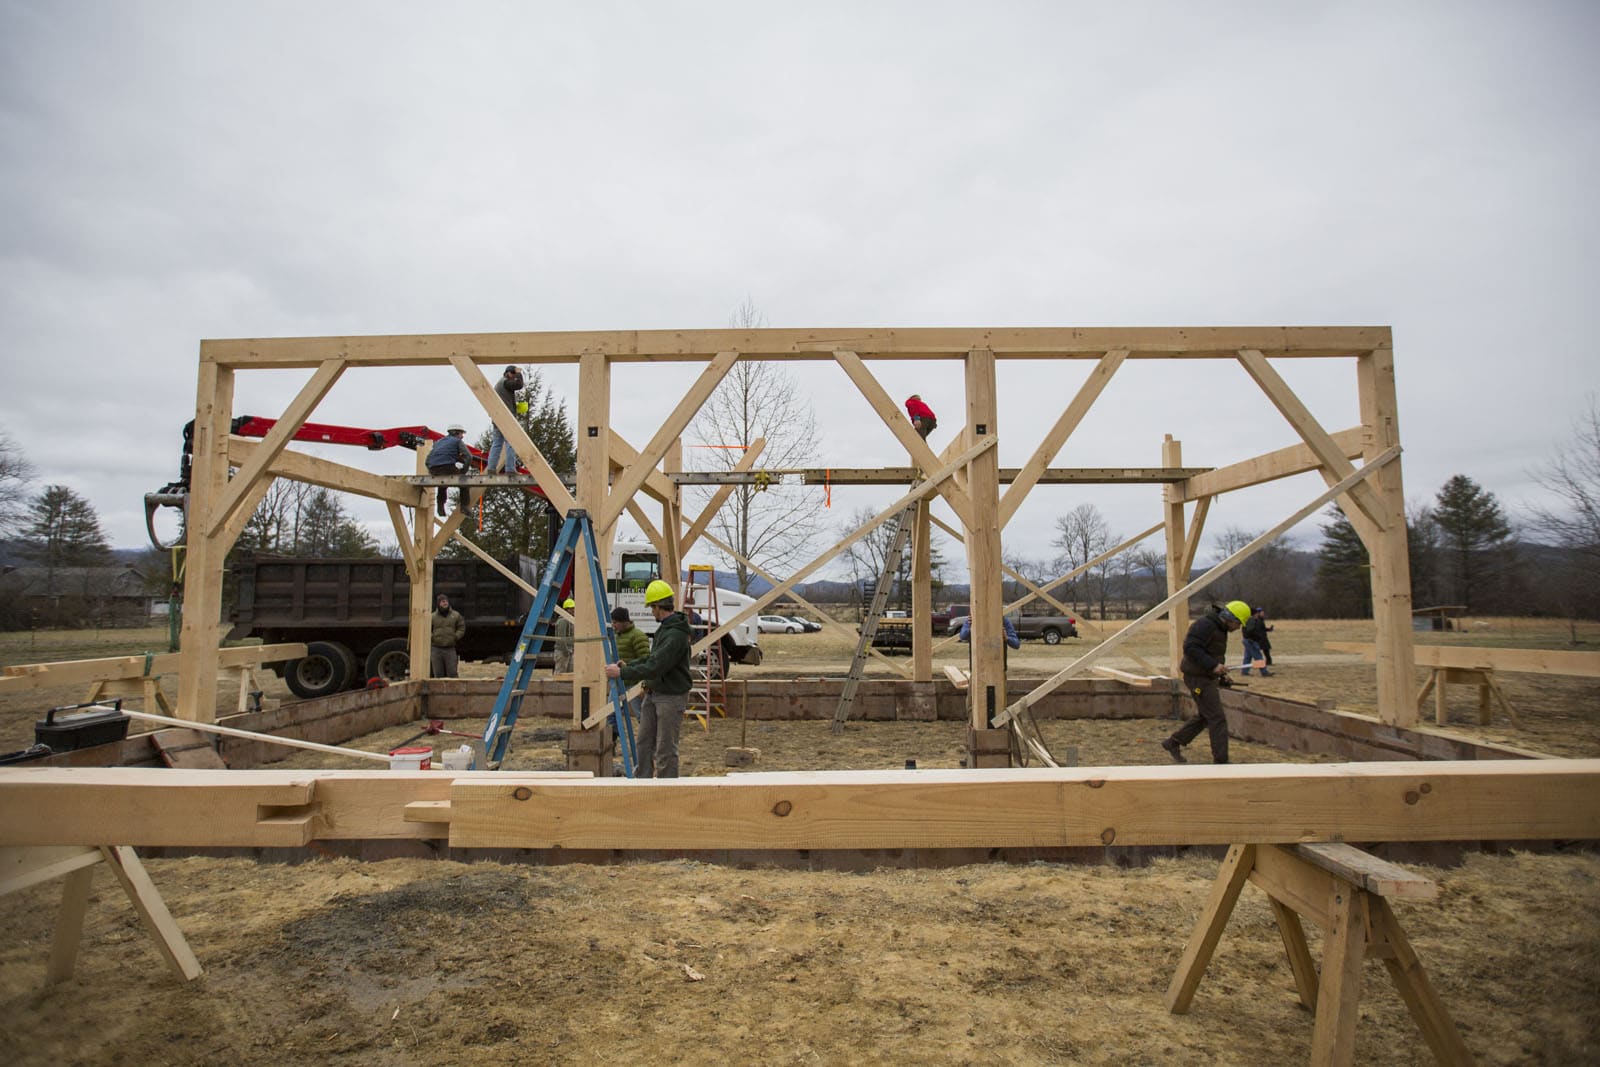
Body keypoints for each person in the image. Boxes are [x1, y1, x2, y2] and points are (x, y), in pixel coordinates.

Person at [604, 579, 692, 778]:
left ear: (658, 606)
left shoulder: (675, 635)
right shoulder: (666, 629)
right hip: (654, 693)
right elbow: (651, 658)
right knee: (644, 743)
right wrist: (630, 665)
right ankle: (642, 783)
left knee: (665, 749)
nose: (651, 612)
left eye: (652, 608)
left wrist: (622, 673)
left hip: (671, 697)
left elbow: (656, 666)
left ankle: (665, 791)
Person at [1162, 600, 1250, 765]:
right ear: (1230, 618)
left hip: (1205, 675)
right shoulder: (1205, 625)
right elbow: (1191, 648)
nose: (1238, 628)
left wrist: (1221, 674)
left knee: (1205, 716)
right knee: (1217, 718)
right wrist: (1213, 666)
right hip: (1197, 677)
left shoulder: (1219, 628)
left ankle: (1173, 743)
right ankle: (1221, 762)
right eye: (1239, 623)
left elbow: (1211, 654)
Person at [611, 605, 651, 719]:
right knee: (610, 713)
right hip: (620, 681)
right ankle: (613, 735)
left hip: (634, 682)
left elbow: (645, 659)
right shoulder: (617, 636)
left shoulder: (638, 636)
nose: (613, 625)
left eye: (615, 622)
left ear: (624, 621)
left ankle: (648, 736)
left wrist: (642, 682)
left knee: (640, 715)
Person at [486, 365, 526, 475]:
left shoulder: (499, 385)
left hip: (497, 417)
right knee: (510, 443)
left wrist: (514, 406)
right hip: (506, 418)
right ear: (509, 373)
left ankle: (491, 468)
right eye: (513, 375)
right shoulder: (505, 382)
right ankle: (510, 469)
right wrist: (519, 373)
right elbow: (519, 385)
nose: (514, 378)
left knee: (497, 443)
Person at [425, 424, 471, 516]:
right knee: (464, 483)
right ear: (456, 433)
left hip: (433, 469)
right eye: (461, 434)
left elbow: (427, 460)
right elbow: (469, 456)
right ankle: (464, 506)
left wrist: (430, 471)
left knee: (442, 483)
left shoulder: (438, 442)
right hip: (447, 467)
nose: (462, 436)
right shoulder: (457, 441)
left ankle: (440, 507)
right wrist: (463, 471)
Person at [430, 593, 465, 678]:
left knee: (452, 673)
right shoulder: (432, 616)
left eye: (446, 601)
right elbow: (427, 629)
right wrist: (432, 637)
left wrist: (455, 637)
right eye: (442, 602)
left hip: (450, 648)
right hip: (436, 649)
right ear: (438, 604)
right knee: (438, 674)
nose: (445, 603)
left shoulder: (456, 615)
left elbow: (461, 627)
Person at [1240, 606, 1274, 676]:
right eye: (1256, 613)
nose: (1258, 614)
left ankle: (1244, 672)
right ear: (1254, 614)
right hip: (1251, 641)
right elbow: (1250, 630)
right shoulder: (1252, 620)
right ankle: (1264, 672)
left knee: (1247, 657)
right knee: (1258, 657)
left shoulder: (1248, 619)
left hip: (1247, 640)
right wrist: (1256, 636)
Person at [553, 597, 575, 675]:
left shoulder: (571, 620)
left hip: (569, 651)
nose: (573, 610)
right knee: (560, 673)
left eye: (573, 608)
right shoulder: (563, 621)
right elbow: (560, 638)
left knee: (570, 673)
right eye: (571, 608)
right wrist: (565, 651)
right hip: (562, 652)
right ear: (566, 610)